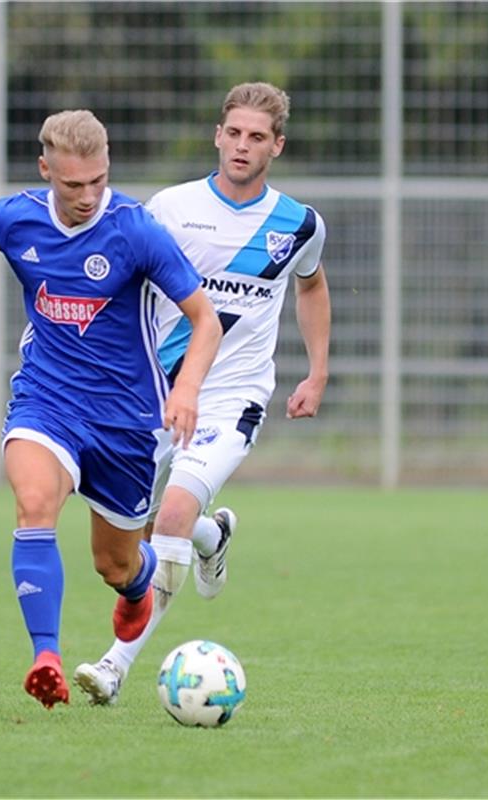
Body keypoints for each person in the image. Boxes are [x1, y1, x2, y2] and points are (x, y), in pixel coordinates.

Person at [0, 110, 222, 709]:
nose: (88, 196)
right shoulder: (14, 219)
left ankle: (138, 585)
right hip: (47, 399)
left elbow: (204, 318)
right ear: (45, 171)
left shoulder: (134, 230)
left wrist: (185, 388)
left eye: (98, 181)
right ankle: (47, 657)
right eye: (72, 184)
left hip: (127, 419)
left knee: (113, 563)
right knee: (34, 503)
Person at [74, 82, 331, 705]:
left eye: (257, 138)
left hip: (231, 398)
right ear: (218, 135)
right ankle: (214, 539)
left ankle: (114, 666)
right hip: (153, 392)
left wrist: (317, 371)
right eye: (234, 133)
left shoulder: (298, 225)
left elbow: (312, 287)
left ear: (277, 146)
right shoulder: (170, 208)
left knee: (172, 516)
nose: (243, 146)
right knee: (123, 545)